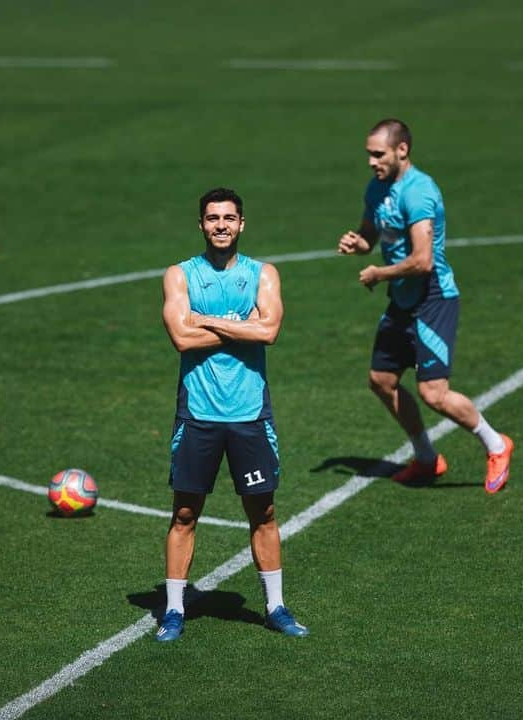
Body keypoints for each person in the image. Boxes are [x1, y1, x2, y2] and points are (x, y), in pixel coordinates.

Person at [156, 188, 308, 642]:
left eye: (228, 218)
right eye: (212, 218)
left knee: (263, 511)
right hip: (198, 414)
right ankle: (174, 610)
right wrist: (244, 328)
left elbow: (271, 330)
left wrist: (207, 321)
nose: (220, 224)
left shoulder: (264, 274)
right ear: (200, 225)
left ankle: (276, 606)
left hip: (250, 414)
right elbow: (182, 340)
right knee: (184, 512)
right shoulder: (179, 275)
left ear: (242, 224)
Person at [337, 118, 513, 492]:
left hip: (432, 299)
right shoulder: (377, 188)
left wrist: (378, 274)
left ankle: (497, 445)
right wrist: (358, 243)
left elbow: (423, 261)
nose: (371, 161)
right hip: (402, 298)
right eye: (368, 154)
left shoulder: (419, 193)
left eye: (378, 154)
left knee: (434, 393)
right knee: (381, 381)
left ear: (402, 150)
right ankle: (427, 458)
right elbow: (371, 236)